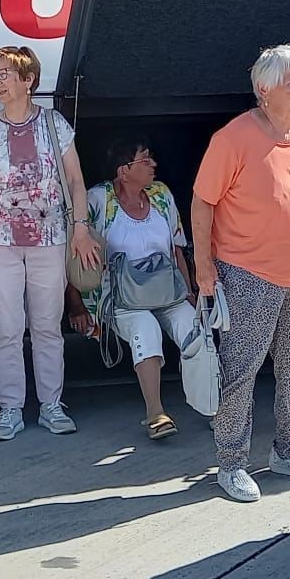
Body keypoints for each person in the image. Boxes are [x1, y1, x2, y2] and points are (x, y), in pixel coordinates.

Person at [193, 45, 290, 503]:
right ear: (263, 89)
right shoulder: (233, 137)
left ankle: (288, 452)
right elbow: (202, 202)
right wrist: (203, 265)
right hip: (247, 272)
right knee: (241, 370)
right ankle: (231, 462)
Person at [0, 45, 100, 441]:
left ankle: (51, 405)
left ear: (28, 80)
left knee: (47, 326)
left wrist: (80, 229)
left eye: (4, 74)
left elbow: (75, 180)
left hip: (49, 240)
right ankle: (10, 409)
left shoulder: (54, 124)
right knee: (6, 328)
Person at [71, 136, 199, 440]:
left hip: (167, 291)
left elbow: (177, 249)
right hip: (122, 298)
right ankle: (155, 412)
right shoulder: (97, 200)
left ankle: (214, 408)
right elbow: (73, 256)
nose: (153, 164)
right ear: (123, 170)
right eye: (145, 159)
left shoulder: (161, 194)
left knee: (194, 330)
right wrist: (75, 304)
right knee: (145, 328)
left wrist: (190, 292)